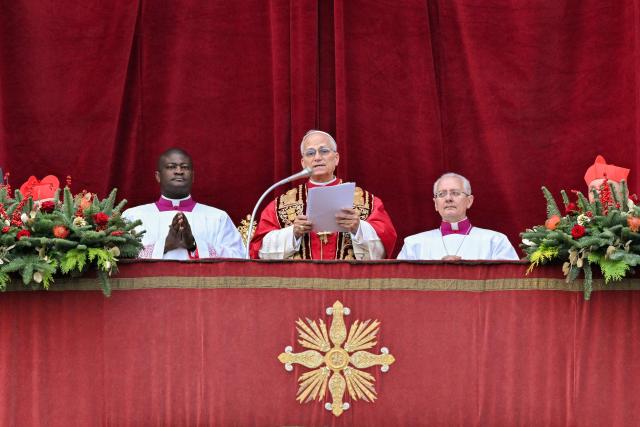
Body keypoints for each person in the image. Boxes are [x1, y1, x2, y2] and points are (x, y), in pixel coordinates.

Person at [249, 130, 396, 260]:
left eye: (324, 151)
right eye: (310, 153)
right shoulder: (280, 205)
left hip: (349, 286)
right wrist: (293, 233)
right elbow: (258, 249)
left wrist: (358, 228)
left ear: (336, 158)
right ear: (303, 162)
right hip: (300, 286)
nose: (317, 157)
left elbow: (386, 246)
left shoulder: (367, 202)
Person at [122, 148, 244, 259]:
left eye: (184, 167)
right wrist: (164, 245)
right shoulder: (133, 216)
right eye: (171, 167)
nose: (179, 171)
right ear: (158, 176)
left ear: (193, 176)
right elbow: (118, 256)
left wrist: (194, 244)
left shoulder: (218, 217)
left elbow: (239, 256)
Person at [397, 172, 518, 261]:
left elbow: (508, 285)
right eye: (441, 194)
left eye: (455, 193)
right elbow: (401, 288)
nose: (448, 198)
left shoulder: (496, 241)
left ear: (469, 201)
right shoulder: (413, 244)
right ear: (435, 204)